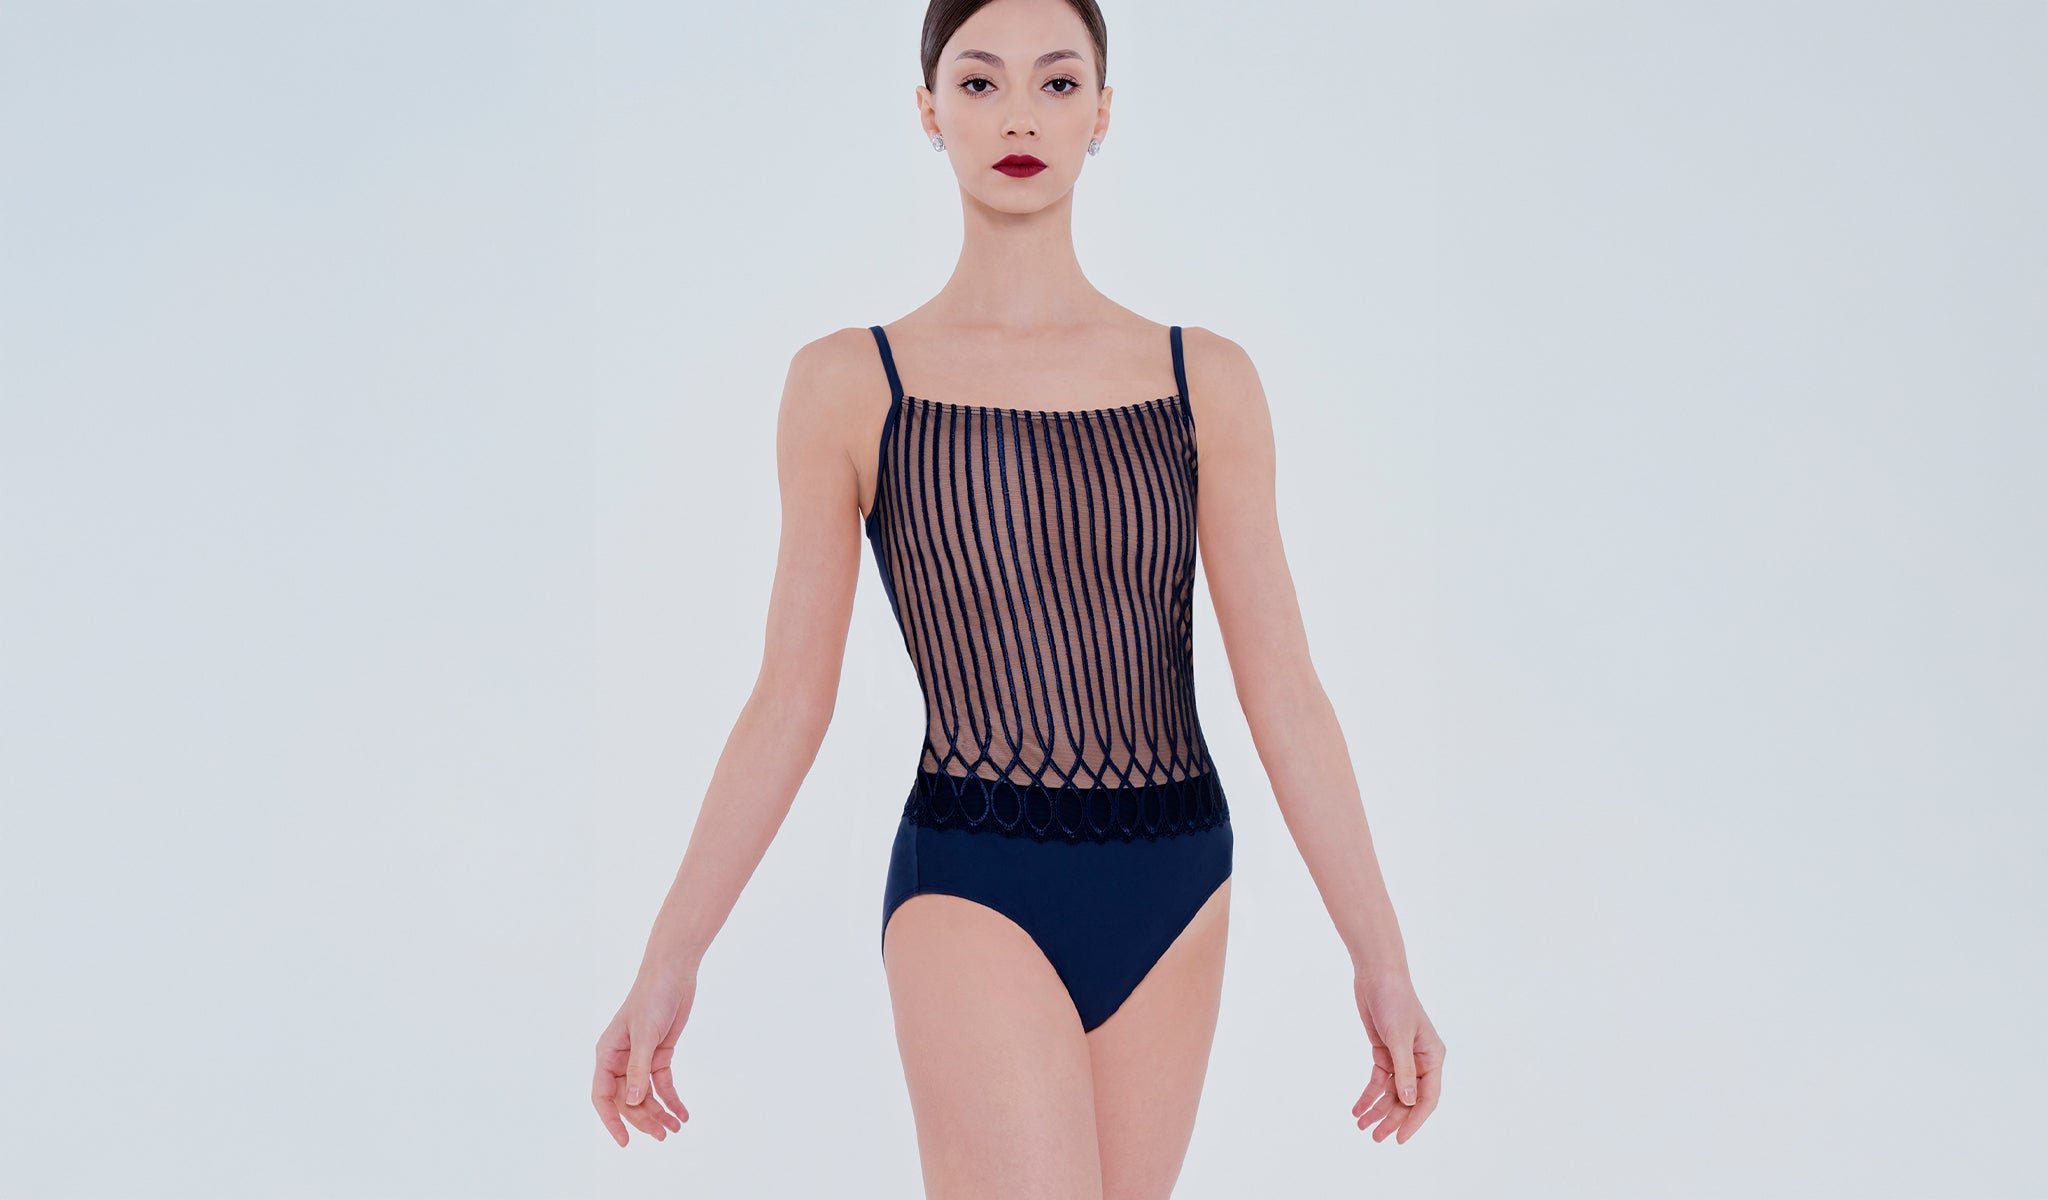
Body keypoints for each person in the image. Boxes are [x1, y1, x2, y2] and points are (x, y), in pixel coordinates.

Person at [591, 0, 1445, 1191]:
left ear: (1102, 112)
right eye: (979, 82)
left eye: (1056, 82)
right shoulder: (850, 385)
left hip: (1177, 877)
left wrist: (1381, 959)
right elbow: (788, 700)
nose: (1018, 117)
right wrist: (669, 959)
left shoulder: (1205, 380)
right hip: (973, 874)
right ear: (928, 109)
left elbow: (1283, 689)